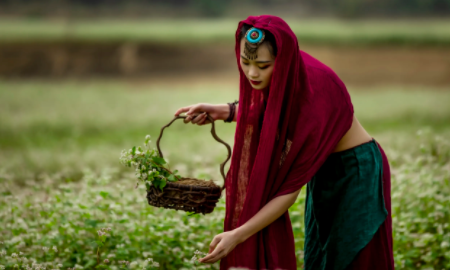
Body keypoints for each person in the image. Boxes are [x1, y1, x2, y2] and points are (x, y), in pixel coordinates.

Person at [174, 15, 394, 270]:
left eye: (264, 66)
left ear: (284, 59)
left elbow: (288, 191)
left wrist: (239, 234)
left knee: (352, 258)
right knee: (321, 255)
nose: (252, 73)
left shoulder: (316, 92)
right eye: (245, 62)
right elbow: (276, 107)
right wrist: (225, 110)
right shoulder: (288, 73)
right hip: (324, 173)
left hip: (356, 173)